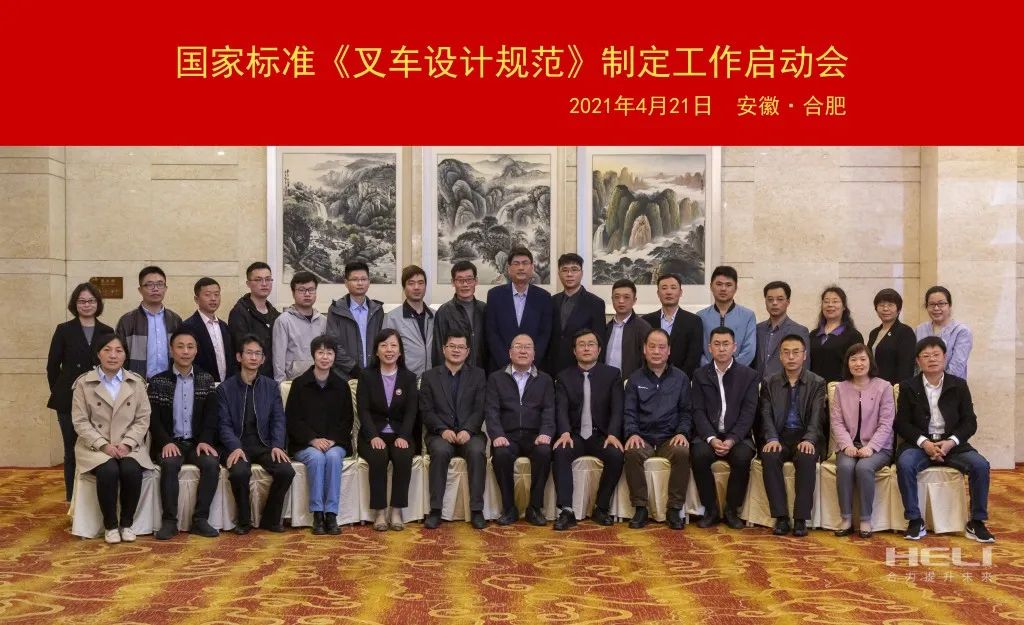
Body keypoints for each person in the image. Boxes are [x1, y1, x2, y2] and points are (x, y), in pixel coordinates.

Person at [895, 337, 994, 543]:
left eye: (936, 355)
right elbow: (902, 423)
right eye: (926, 356)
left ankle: (977, 522)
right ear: (918, 361)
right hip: (920, 445)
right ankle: (914, 520)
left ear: (944, 357)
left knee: (980, 465)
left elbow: (970, 421)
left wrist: (951, 442)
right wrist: (925, 443)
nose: (932, 359)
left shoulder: (959, 385)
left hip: (952, 445)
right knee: (905, 464)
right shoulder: (908, 387)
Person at [70, 334, 154, 544]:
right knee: (108, 470)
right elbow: (80, 421)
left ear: (125, 355)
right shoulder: (83, 383)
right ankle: (110, 526)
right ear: (98, 354)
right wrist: (103, 445)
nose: (113, 355)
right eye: (107, 350)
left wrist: (128, 443)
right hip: (95, 447)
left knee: (130, 469)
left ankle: (126, 523)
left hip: (129, 445)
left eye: (119, 350)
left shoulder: (136, 382)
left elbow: (143, 418)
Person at [148, 328, 221, 540]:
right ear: (171, 350)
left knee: (211, 464)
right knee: (170, 464)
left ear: (196, 350)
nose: (185, 351)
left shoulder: (206, 379)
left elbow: (212, 416)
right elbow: (152, 419)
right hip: (171, 442)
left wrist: (205, 440)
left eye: (190, 347)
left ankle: (200, 520)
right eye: (180, 347)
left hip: (197, 442)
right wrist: (165, 442)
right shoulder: (158, 381)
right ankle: (170, 521)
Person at [218, 335, 295, 534]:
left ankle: (270, 519)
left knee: (286, 470)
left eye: (258, 354)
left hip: (264, 444)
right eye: (249, 353)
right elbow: (223, 424)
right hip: (237, 445)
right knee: (239, 472)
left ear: (263, 359)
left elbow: (278, 419)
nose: (253, 357)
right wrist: (234, 447)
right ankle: (244, 521)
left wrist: (277, 445)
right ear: (239, 357)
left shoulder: (271, 386)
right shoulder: (225, 388)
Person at [46, 282, 113, 501]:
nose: (86, 305)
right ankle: (72, 498)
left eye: (91, 301)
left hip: (99, 398)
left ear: (98, 303)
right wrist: (61, 390)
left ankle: (95, 498)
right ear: (75, 304)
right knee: (71, 449)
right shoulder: (63, 330)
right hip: (68, 399)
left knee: (97, 447)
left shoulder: (107, 331)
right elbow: (52, 366)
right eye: (82, 301)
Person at [552, 329, 624, 530]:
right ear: (574, 351)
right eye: (581, 345)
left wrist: (613, 433)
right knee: (560, 451)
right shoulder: (564, 377)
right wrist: (564, 431)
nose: (586, 348)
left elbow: (618, 408)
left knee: (616, 455)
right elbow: (561, 408)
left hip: (601, 435)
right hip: (574, 434)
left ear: (599, 350)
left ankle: (601, 507)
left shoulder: (612, 375)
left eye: (591, 344)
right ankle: (567, 511)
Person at [622, 328, 692, 530]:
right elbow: (629, 412)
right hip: (643, 436)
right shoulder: (634, 379)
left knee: (682, 451)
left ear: (669, 351)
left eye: (661, 347)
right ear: (644, 349)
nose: (656, 351)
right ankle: (640, 508)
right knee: (632, 451)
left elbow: (686, 412)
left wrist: (682, 432)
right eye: (652, 346)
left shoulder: (681, 378)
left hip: (669, 437)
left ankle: (674, 508)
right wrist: (632, 433)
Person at [690, 327, 759, 529]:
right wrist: (711, 438)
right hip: (708, 435)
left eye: (726, 344)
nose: (721, 349)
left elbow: (748, 413)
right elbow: (698, 411)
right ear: (709, 348)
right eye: (717, 344)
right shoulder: (700, 375)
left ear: (734, 347)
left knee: (742, 457)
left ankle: (731, 510)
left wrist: (732, 439)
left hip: (738, 436)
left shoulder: (749, 375)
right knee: (699, 455)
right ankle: (711, 509)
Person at [757, 334, 826, 537]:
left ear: (804, 355)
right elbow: (766, 414)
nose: (791, 357)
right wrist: (771, 438)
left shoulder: (817, 382)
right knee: (769, 456)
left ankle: (800, 518)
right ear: (780, 356)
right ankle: (781, 517)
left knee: (806, 457)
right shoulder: (770, 382)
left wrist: (809, 439)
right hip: (779, 435)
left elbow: (817, 416)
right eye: (786, 352)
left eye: (796, 352)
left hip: (805, 436)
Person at [286, 335, 353, 536]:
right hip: (306, 444)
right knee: (316, 458)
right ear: (313, 355)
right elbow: (293, 419)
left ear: (334, 357)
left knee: (332, 457)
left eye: (329, 353)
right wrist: (313, 439)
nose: (325, 357)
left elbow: (347, 420)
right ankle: (317, 514)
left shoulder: (341, 385)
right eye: (321, 352)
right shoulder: (299, 384)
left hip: (335, 443)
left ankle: (331, 514)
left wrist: (332, 440)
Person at [420, 330, 488, 530]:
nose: (456, 350)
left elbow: (480, 409)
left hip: (470, 433)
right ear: (444, 349)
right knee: (440, 452)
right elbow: (426, 410)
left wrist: (468, 430)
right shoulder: (429, 376)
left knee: (476, 451)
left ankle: (477, 510)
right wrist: (442, 430)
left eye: (461, 347)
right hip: (439, 433)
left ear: (467, 351)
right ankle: (435, 510)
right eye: (452, 346)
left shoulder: (478, 375)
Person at [485, 334, 555, 526]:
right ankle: (509, 508)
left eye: (527, 347)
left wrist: (545, 433)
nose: (523, 351)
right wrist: (497, 435)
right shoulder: (496, 378)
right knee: (501, 454)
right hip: (508, 436)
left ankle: (535, 508)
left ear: (534, 354)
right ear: (510, 352)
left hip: (535, 436)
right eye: (518, 346)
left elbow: (549, 411)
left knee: (544, 452)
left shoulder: (545, 379)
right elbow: (491, 411)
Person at [830, 343, 895, 539]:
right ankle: (846, 518)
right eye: (853, 359)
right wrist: (846, 445)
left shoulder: (884, 387)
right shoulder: (841, 388)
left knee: (864, 468)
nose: (858, 363)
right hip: (849, 446)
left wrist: (871, 447)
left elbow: (886, 423)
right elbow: (837, 421)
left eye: (862, 359)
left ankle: (866, 519)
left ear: (870, 361)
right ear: (847, 363)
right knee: (845, 467)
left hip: (879, 448)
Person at [357, 328, 419, 531]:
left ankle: (397, 510)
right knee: (378, 456)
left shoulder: (409, 378)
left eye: (393, 345)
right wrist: (373, 436)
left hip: (401, 433)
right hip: (373, 434)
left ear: (400, 352)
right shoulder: (366, 376)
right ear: (376, 351)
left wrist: (404, 436)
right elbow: (363, 410)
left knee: (403, 456)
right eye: (384, 345)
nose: (389, 350)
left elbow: (411, 411)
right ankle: (380, 512)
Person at [485, 247, 552, 372]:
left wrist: (529, 364)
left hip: (533, 370)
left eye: (525, 263)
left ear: (532, 267)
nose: (521, 267)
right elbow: (492, 333)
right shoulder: (494, 295)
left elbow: (544, 335)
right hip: (501, 369)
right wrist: (508, 366)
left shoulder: (544, 297)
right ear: (509, 269)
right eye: (516, 263)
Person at [546, 253, 607, 376]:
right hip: (552, 368)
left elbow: (599, 341)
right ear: (559, 274)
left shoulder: (595, 303)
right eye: (565, 270)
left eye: (574, 270)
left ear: (582, 273)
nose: (569, 274)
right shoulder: (551, 301)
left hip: (582, 369)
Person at [116, 266, 182, 379]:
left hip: (170, 382)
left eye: (160, 284)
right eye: (149, 284)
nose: (155, 289)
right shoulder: (127, 321)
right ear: (140, 290)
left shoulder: (175, 320)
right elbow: (118, 355)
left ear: (165, 288)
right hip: (137, 382)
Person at [326, 260, 384, 380]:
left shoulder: (377, 310)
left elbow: (382, 342)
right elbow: (333, 344)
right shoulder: (336, 309)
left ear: (369, 282)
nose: (360, 283)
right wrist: (353, 369)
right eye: (355, 279)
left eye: (363, 279)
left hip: (374, 375)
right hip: (344, 376)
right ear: (346, 283)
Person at [641, 273, 703, 378]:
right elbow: (643, 353)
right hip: (650, 379)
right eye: (664, 288)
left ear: (680, 292)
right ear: (658, 293)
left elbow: (694, 357)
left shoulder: (694, 321)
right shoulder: (646, 321)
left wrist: (679, 380)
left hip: (682, 380)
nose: (669, 292)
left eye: (673, 288)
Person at [228, 261, 280, 378]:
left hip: (273, 378)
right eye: (258, 280)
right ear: (248, 284)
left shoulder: (276, 315)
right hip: (249, 378)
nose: (264, 284)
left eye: (268, 279)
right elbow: (241, 348)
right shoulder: (239, 313)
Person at [432, 260, 488, 369]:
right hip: (454, 373)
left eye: (469, 279)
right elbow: (438, 349)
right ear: (453, 282)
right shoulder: (444, 311)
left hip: (482, 372)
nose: (465, 284)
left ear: (476, 281)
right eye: (460, 280)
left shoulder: (485, 309)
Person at [697, 265, 756, 366]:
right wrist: (711, 369)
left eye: (728, 285)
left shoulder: (748, 316)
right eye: (719, 284)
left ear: (736, 288)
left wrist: (731, 369)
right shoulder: (700, 316)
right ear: (711, 286)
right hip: (708, 373)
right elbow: (697, 350)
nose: (723, 289)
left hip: (739, 373)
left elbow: (749, 351)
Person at [272, 271, 326, 382]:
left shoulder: (323, 321)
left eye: (311, 289)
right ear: (293, 293)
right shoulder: (284, 320)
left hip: (319, 381)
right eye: (302, 290)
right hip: (293, 382)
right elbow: (278, 358)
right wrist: (281, 385)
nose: (307, 294)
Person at [383, 265, 435, 377]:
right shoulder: (392, 318)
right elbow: (386, 353)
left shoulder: (435, 316)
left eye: (421, 283)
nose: (416, 287)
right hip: (404, 379)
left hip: (432, 379)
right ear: (404, 287)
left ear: (425, 286)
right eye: (411, 283)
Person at [181, 277, 236, 383]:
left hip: (226, 385)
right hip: (201, 385)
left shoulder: (224, 327)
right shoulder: (187, 327)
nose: (213, 298)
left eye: (216, 294)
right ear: (196, 299)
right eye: (207, 295)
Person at [754, 280, 810, 380]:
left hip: (784, 386)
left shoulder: (800, 331)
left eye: (780, 299)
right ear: (765, 302)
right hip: (758, 386)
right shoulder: (757, 329)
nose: (774, 303)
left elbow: (804, 366)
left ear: (788, 302)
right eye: (770, 299)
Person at [809, 286, 864, 383]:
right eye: (826, 301)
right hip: (814, 389)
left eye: (835, 301)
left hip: (841, 389)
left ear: (844, 307)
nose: (830, 305)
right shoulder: (813, 335)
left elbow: (858, 367)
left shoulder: (853, 336)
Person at [914, 286, 972, 379]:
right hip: (921, 385)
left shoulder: (961, 331)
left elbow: (957, 367)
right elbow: (916, 364)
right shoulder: (919, 329)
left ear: (949, 305)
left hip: (951, 385)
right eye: (932, 304)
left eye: (941, 304)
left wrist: (937, 385)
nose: (936, 308)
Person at [602, 279, 652, 382]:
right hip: (605, 383)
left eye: (626, 297)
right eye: (617, 297)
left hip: (632, 384)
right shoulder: (606, 327)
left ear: (634, 300)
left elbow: (648, 362)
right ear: (612, 299)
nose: (621, 301)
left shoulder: (644, 328)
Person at [866, 288, 916, 385]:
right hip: (873, 386)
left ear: (899, 309)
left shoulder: (905, 332)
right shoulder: (874, 333)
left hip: (893, 387)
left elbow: (906, 367)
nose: (885, 309)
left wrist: (898, 389)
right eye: (881, 305)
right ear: (876, 309)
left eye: (890, 305)